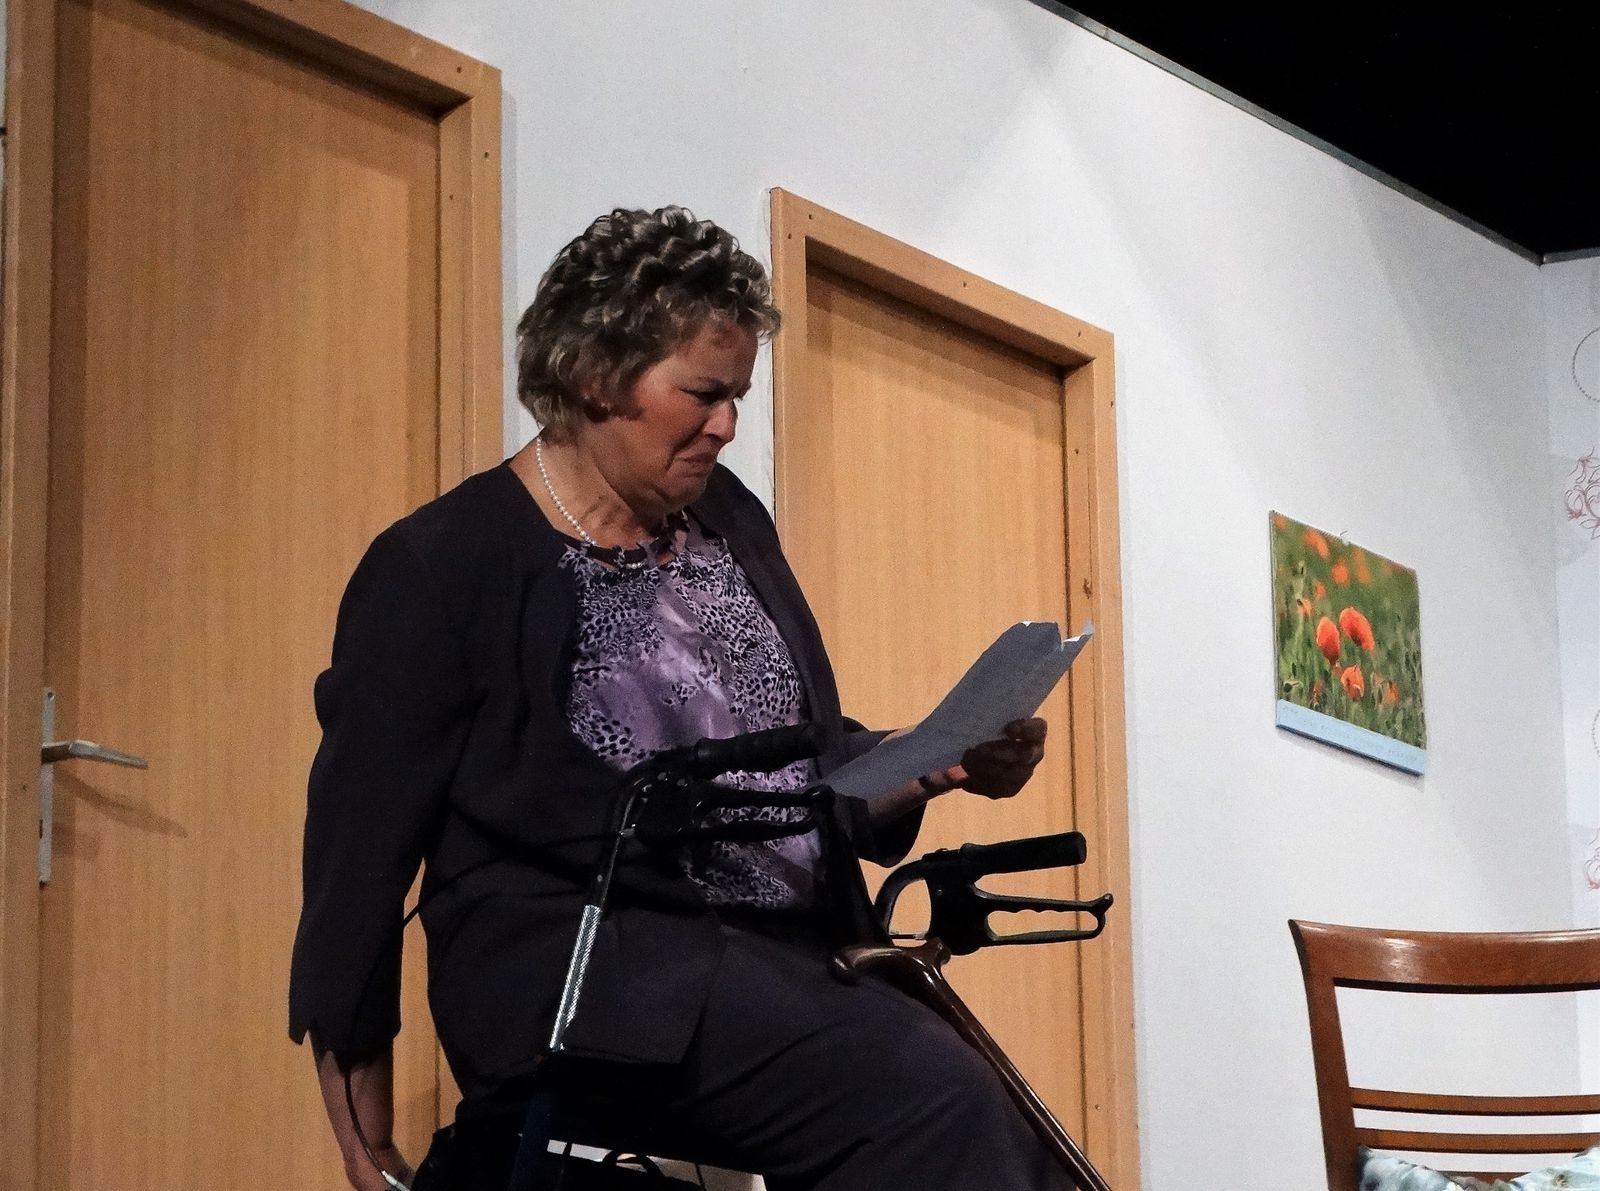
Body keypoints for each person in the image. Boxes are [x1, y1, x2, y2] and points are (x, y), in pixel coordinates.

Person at [289, 206, 1065, 1191]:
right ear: (594, 373)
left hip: (783, 959)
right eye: (703, 393)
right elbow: (357, 863)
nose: (727, 426)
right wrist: (369, 1146)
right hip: (596, 965)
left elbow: (785, 764)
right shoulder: (445, 564)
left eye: (737, 396)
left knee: (1020, 1134)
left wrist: (932, 758)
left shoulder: (730, 519)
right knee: (932, 1100)